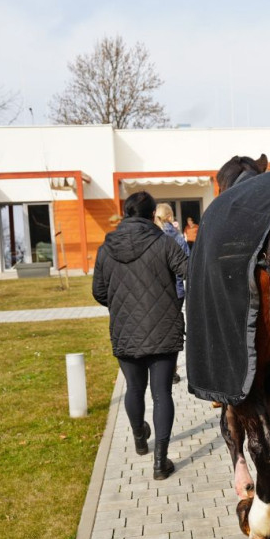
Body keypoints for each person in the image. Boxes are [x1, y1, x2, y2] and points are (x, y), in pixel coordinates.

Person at [93, 191, 189, 481]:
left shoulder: (106, 248)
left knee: (134, 389)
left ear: (126, 213)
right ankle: (160, 462)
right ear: (152, 215)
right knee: (162, 393)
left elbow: (99, 292)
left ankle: (139, 438)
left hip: (125, 328)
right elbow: (189, 271)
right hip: (163, 327)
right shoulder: (164, 242)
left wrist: (122, 305)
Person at [155, 205, 191, 385]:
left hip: (156, 291)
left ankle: (157, 367)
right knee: (174, 329)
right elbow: (187, 264)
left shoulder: (153, 236)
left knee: (157, 328)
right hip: (176, 291)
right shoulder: (176, 237)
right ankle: (172, 370)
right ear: (170, 216)